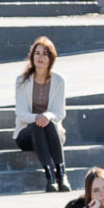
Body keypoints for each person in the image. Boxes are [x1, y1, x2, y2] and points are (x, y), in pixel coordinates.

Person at [14, 35, 69, 192]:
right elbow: (21, 113)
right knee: (37, 125)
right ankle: (51, 175)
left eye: (45, 54)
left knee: (47, 123)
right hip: (26, 135)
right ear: (32, 56)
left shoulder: (59, 81)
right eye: (37, 53)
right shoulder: (22, 81)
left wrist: (47, 116)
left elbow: (59, 113)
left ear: (51, 58)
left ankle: (61, 175)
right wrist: (38, 118)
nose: (40, 57)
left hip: (53, 134)